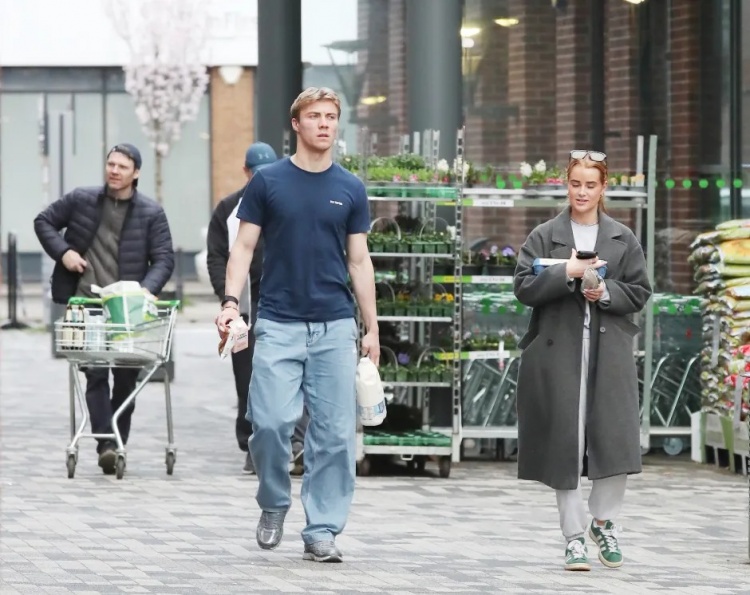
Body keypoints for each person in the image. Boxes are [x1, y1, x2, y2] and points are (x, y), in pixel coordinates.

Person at [215, 87, 379, 563]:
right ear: (296, 124)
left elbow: (359, 260)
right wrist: (230, 303)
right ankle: (273, 502)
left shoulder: (351, 187)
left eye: (331, 116)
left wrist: (371, 327)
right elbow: (243, 248)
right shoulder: (268, 182)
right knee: (268, 423)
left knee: (334, 435)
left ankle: (322, 530)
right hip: (278, 323)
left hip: (334, 326)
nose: (324, 124)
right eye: (314, 116)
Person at [512, 150, 651, 571]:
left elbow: (640, 292)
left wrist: (605, 293)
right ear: (566, 185)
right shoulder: (544, 235)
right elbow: (523, 287)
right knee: (565, 443)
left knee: (614, 437)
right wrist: (566, 273)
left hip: (610, 352)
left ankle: (604, 522)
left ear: (603, 187)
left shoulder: (623, 237)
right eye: (576, 184)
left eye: (591, 185)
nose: (582, 192)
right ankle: (573, 537)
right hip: (559, 352)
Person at [34, 143, 175, 475]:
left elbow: (164, 258)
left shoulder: (151, 213)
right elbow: (44, 222)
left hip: (127, 309)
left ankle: (114, 440)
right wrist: (64, 253)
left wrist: (145, 290)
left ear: (136, 173)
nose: (114, 170)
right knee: (95, 374)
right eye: (111, 164)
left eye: (122, 166)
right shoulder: (81, 199)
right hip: (86, 304)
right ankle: (107, 445)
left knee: (126, 379)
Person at [206, 141, 308, 475]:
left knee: (291, 375)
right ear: (246, 172)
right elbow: (217, 257)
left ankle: (295, 443)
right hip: (243, 312)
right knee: (247, 378)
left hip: (283, 306)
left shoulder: (287, 201)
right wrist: (229, 300)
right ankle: (252, 444)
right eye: (256, 173)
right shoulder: (228, 209)